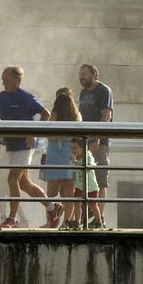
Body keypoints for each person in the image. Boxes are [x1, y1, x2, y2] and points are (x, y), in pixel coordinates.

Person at [0, 66, 51, 228]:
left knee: (12, 179)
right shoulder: (2, 96)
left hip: (24, 145)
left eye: (6, 79)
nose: (3, 82)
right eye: (2, 79)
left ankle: (13, 218)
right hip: (10, 144)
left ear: (17, 80)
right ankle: (53, 207)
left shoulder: (25, 97)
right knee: (25, 184)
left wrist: (34, 134)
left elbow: (45, 113)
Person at [76, 63, 113, 222]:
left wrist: (97, 138)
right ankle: (88, 214)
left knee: (100, 179)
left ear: (93, 74)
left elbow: (106, 115)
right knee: (84, 178)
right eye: (79, 74)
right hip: (84, 142)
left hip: (99, 142)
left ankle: (100, 218)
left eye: (84, 73)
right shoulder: (83, 93)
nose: (81, 76)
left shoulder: (104, 90)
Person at [39, 88, 80, 229]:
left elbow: (49, 133)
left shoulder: (55, 113)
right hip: (69, 155)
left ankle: (51, 221)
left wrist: (59, 136)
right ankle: (66, 222)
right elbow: (78, 135)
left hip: (55, 155)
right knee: (69, 194)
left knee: (51, 193)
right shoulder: (76, 115)